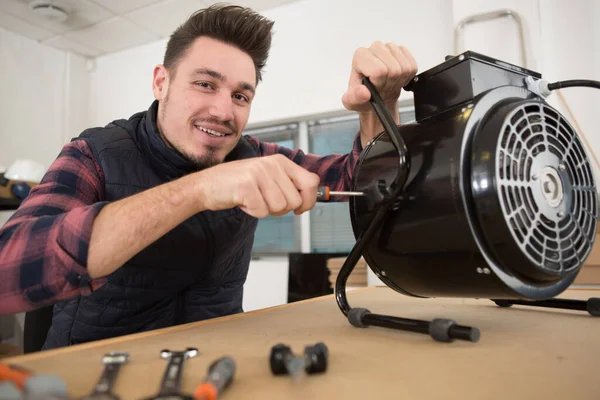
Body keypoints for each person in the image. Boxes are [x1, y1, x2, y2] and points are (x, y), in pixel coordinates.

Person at [0, 3, 417, 349]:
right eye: (204, 84)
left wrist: (376, 107)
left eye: (240, 95)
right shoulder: (93, 154)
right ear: (161, 82)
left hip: (216, 366)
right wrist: (199, 190)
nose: (223, 111)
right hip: (96, 374)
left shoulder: (251, 154)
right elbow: (9, 268)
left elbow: (364, 183)